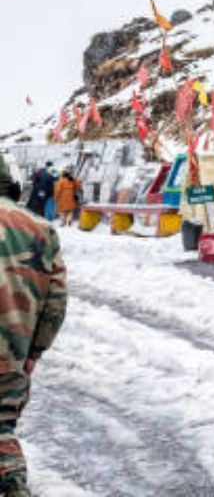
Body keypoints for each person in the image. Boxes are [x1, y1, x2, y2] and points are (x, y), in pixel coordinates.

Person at [0, 156, 68, 495]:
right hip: (11, 352)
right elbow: (56, 299)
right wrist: (34, 351)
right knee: (1, 428)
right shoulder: (41, 228)